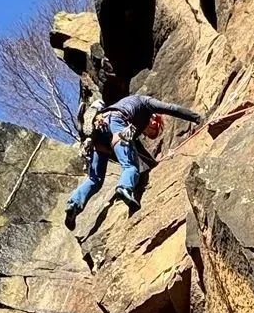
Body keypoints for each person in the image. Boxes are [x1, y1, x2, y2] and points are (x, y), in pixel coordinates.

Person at [66, 92, 204, 225]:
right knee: (130, 166)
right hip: (117, 121)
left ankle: (73, 204)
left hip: (102, 128)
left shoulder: (134, 124)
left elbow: (140, 153)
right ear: (154, 120)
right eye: (153, 131)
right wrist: (197, 118)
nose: (148, 133)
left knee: (95, 179)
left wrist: (155, 165)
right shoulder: (147, 103)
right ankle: (125, 188)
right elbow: (171, 108)